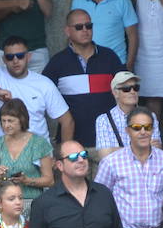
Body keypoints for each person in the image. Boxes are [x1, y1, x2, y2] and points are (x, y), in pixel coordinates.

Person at [40, 8, 122, 151]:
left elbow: (126, 93)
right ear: (67, 31)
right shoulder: (57, 62)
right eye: (79, 27)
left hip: (109, 142)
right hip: (72, 144)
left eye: (88, 26)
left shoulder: (109, 57)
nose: (85, 30)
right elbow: (41, 96)